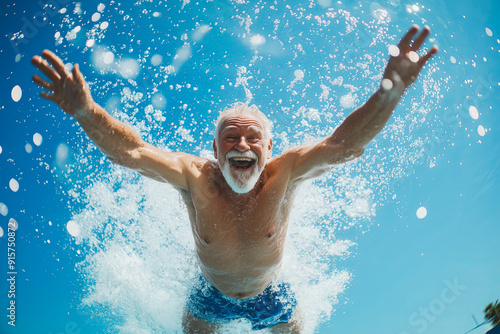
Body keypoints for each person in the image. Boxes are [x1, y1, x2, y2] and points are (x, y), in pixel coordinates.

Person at [32, 25, 437, 333]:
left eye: (252, 137)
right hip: (209, 298)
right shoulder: (194, 176)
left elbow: (343, 146)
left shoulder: (287, 171)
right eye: (231, 137)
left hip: (271, 296)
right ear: (215, 148)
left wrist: (391, 91)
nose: (242, 144)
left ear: (269, 147)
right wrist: (86, 111)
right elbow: (133, 153)